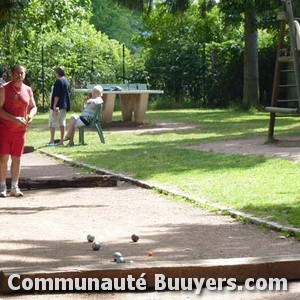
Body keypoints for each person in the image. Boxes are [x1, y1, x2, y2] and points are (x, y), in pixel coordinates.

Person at [0, 65, 37, 197]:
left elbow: (33, 107)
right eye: (17, 73)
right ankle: (2, 186)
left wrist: (31, 115)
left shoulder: (28, 90)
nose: (19, 75)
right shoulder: (4, 89)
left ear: (24, 75)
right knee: (3, 158)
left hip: (20, 131)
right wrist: (13, 119)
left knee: (17, 158)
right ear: (12, 74)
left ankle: (15, 187)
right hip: (5, 129)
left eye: (22, 73)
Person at [48, 67, 70, 146]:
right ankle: (61, 141)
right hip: (64, 105)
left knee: (52, 122)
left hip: (57, 106)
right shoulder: (66, 81)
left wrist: (54, 105)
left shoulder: (58, 81)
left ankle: (52, 141)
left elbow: (56, 95)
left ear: (57, 73)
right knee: (62, 122)